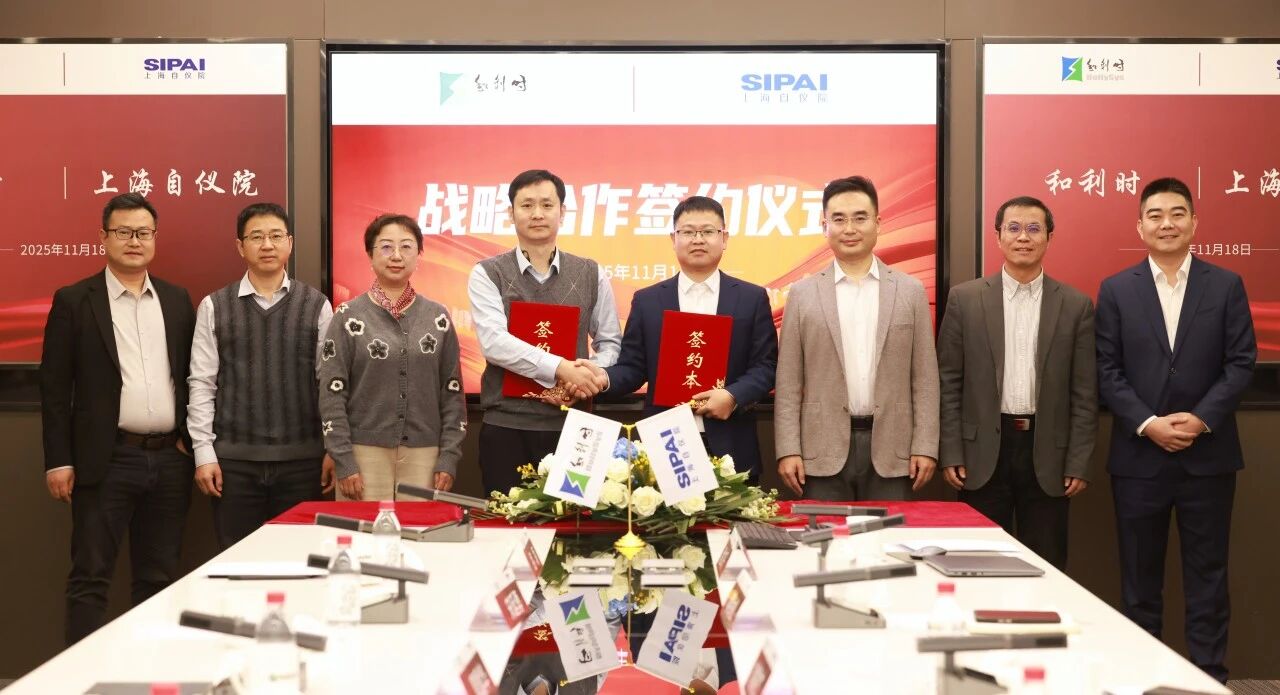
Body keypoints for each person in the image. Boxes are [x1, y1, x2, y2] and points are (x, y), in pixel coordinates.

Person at [1096, 177, 1255, 683]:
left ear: (1194, 222)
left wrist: (1202, 418)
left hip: (1208, 458)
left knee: (1208, 579)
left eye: (1177, 213)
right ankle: (1146, 679)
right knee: (1139, 583)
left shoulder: (1225, 284)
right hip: (1138, 460)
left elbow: (1241, 362)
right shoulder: (1116, 289)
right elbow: (1106, 369)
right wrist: (1148, 423)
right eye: (1156, 215)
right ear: (1140, 226)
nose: (1167, 223)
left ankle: (1209, 678)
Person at [40, 192, 197, 644]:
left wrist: (188, 439)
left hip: (169, 460)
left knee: (159, 578)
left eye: (143, 232)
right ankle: (81, 675)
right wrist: (58, 460)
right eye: (123, 232)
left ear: (154, 238)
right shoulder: (75, 300)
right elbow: (55, 388)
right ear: (104, 237)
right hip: (105, 459)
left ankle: (149, 671)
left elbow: (194, 376)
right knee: (91, 575)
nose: (134, 241)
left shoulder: (176, 300)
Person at [937, 195, 1096, 571]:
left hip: (1048, 455)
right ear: (998, 237)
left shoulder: (1075, 305)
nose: (1023, 237)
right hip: (982, 455)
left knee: (1047, 565)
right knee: (979, 564)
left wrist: (1078, 462)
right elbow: (947, 382)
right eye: (1013, 228)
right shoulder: (965, 299)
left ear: (1049, 237)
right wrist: (952, 452)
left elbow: (1085, 393)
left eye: (1033, 228)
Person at [774, 175, 938, 500]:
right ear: (825, 226)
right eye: (838, 219)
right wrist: (788, 449)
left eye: (860, 218)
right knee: (824, 535)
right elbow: (789, 380)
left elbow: (925, 378)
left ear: (878, 223)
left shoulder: (910, 290)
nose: (849, 228)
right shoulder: (803, 294)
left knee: (887, 535)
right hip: (820, 450)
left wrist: (925, 445)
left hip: (894, 450)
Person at [187, 202, 334, 549]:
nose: (267, 245)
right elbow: (202, 383)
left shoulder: (317, 305)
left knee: (300, 560)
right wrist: (204, 453)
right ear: (240, 246)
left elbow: (329, 384)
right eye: (256, 237)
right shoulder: (214, 306)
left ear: (290, 243)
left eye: (276, 236)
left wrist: (333, 449)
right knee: (238, 562)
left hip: (303, 463)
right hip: (233, 466)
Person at [467, 169, 621, 494]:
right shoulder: (487, 273)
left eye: (547, 205)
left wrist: (590, 376)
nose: (537, 213)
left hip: (575, 428)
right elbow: (495, 343)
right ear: (511, 213)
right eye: (527, 205)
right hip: (506, 427)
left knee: (573, 519)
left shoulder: (591, 272)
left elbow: (610, 343)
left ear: (562, 212)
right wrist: (562, 368)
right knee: (508, 519)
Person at [601, 195, 777, 479]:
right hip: (666, 442)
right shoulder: (647, 301)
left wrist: (733, 396)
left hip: (731, 440)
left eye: (708, 231)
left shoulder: (751, 298)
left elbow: (766, 366)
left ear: (724, 238)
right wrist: (601, 377)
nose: (698, 239)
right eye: (688, 232)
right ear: (673, 239)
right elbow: (633, 368)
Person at [318, 214, 465, 500]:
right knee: (362, 530)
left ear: (418, 256)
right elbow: (331, 393)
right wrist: (343, 458)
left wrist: (449, 456)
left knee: (419, 529)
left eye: (406, 247)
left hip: (425, 455)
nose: (396, 256)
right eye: (386, 247)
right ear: (370, 255)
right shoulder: (347, 316)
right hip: (362, 455)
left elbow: (452, 392)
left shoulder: (438, 317)